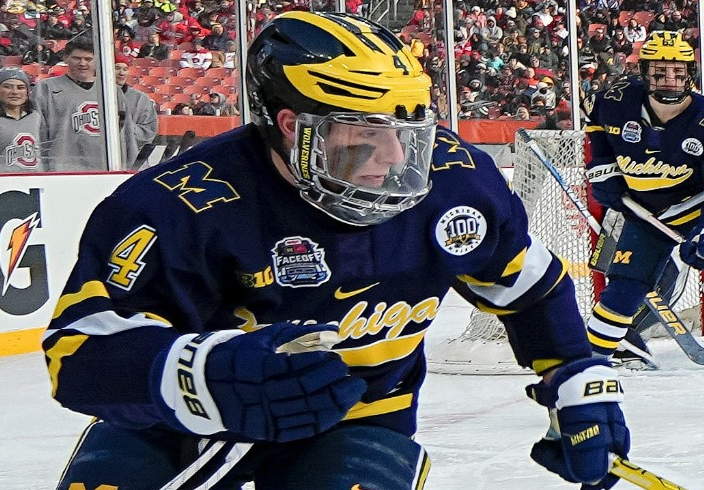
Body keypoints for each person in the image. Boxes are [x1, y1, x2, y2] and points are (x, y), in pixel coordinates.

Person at [45, 12, 629, 490]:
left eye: (408, 131)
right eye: (367, 135)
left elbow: (529, 287)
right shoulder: (176, 203)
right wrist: (209, 375)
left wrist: (576, 378)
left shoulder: (456, 181)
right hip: (177, 423)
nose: (398, 160)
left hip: (358, 415)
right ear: (292, 124)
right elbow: (76, 351)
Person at [583, 31, 704, 407]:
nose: (669, 81)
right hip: (647, 214)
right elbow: (599, 133)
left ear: (690, 73)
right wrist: (604, 169)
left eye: (677, 72)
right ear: (644, 72)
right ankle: (582, 373)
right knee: (621, 292)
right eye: (659, 73)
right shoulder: (614, 101)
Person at [33, 36, 131, 171]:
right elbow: (36, 133)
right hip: (61, 169)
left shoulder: (111, 91)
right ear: (66, 58)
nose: (83, 63)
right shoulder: (46, 88)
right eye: (77, 58)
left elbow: (125, 134)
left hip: (104, 169)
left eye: (88, 59)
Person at [0, 68, 43, 172]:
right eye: (7, 87)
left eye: (20, 87)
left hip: (34, 180)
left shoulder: (37, 117)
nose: (15, 92)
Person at [114, 54, 158, 167]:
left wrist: (125, 130)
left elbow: (149, 131)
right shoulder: (95, 96)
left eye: (125, 69)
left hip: (134, 162)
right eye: (117, 68)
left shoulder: (141, 99)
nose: (121, 73)